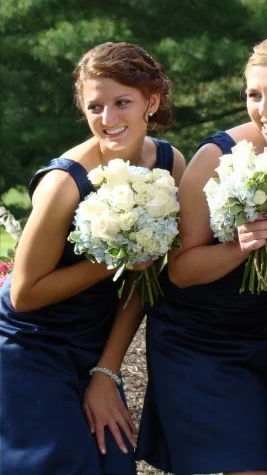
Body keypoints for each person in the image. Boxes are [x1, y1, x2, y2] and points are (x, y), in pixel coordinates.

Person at [136, 32, 267, 475]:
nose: (264, 109)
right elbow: (181, 271)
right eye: (254, 95)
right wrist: (238, 247)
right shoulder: (217, 157)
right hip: (202, 340)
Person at [0, 42, 184, 475]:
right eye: (95, 106)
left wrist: (107, 370)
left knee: (113, 460)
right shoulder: (63, 184)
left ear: (151, 102)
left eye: (122, 102)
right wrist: (115, 260)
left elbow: (148, 277)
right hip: (30, 345)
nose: (108, 119)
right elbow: (25, 294)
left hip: (94, 340)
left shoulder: (167, 163)